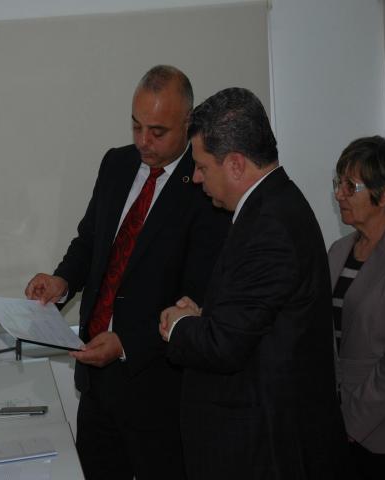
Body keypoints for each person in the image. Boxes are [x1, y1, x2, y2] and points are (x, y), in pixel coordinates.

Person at [25, 65, 230, 479]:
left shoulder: (205, 185)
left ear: (187, 123)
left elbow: (198, 293)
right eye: (136, 126)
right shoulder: (116, 164)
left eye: (157, 131)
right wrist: (62, 282)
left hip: (157, 389)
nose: (143, 141)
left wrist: (126, 343)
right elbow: (90, 242)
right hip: (96, 384)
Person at [159, 87, 350, 479]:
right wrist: (205, 317)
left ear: (235, 164)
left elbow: (225, 347)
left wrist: (179, 326)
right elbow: (258, 322)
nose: (196, 177)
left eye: (202, 166)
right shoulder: (271, 206)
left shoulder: (269, 224)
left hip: (262, 451)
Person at [329, 136, 385, 479]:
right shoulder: (338, 250)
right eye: (338, 183)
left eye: (351, 186)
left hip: (382, 430)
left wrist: (351, 420)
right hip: (334, 419)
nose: (339, 194)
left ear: (384, 194)